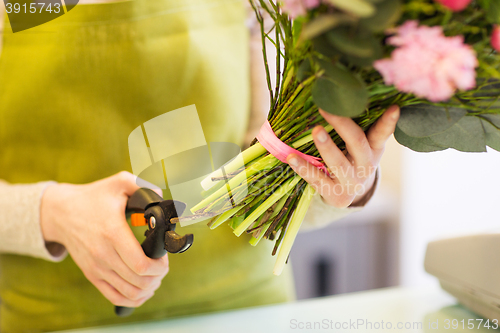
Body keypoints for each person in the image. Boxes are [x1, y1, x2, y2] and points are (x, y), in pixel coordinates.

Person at [0, 0, 400, 331]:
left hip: (244, 311)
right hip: (57, 317)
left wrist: (341, 187)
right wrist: (51, 213)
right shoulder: (19, 10)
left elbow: (274, 169)